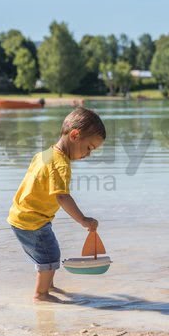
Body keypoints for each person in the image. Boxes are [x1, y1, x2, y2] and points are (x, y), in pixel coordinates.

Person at [7, 107, 106, 303]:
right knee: (50, 255)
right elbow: (62, 196)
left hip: (21, 215)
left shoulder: (45, 154)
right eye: (89, 148)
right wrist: (83, 220)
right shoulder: (61, 163)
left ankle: (48, 285)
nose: (88, 154)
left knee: (46, 253)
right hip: (33, 220)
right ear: (75, 135)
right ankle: (41, 294)